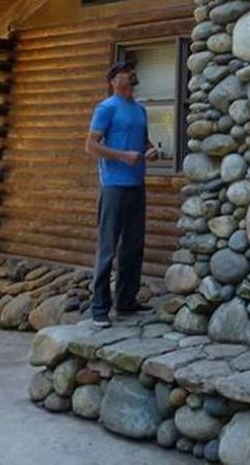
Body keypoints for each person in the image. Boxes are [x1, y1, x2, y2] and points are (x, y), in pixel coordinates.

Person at [85, 59, 155, 328]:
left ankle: (126, 301)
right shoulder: (106, 108)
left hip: (137, 186)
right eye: (125, 72)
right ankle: (99, 308)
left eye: (132, 71)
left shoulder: (140, 110)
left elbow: (144, 141)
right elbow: (90, 146)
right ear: (114, 81)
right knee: (108, 247)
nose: (131, 75)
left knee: (133, 246)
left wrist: (152, 151)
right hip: (113, 186)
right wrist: (122, 156)